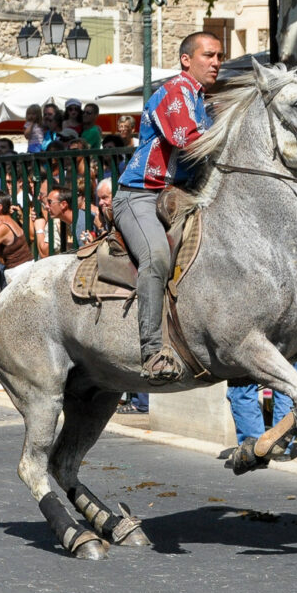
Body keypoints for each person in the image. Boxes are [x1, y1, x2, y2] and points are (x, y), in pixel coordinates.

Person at [112, 30, 223, 381]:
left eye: (220, 56)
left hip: (178, 198)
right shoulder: (177, 91)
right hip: (140, 196)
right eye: (209, 55)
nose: (216, 63)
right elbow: (186, 141)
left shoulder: (202, 100)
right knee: (157, 255)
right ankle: (151, 351)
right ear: (186, 60)